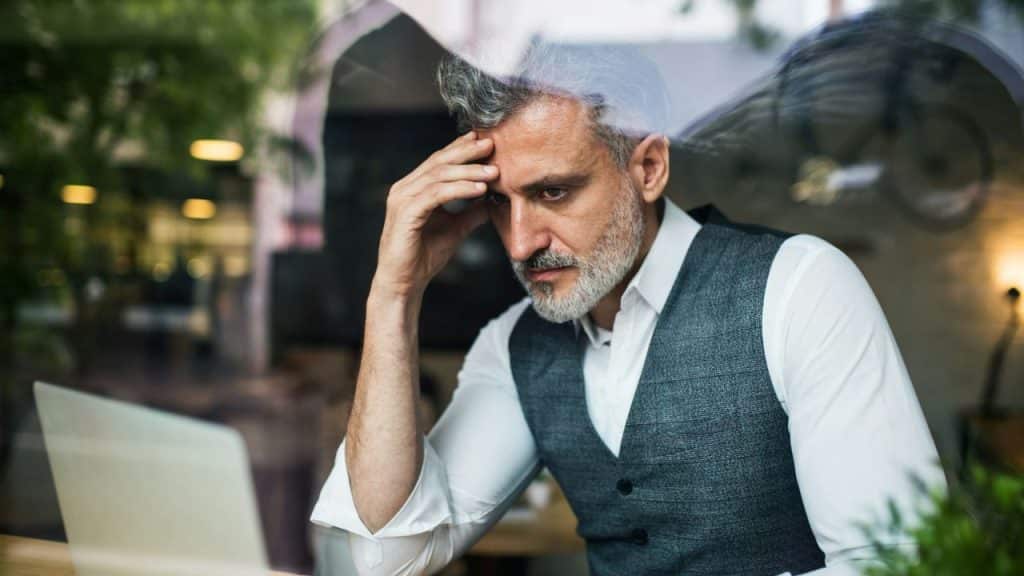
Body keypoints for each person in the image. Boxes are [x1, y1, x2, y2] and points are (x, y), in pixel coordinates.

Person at [311, 45, 945, 576]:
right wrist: (393, 296)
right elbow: (387, 555)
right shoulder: (517, 347)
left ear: (648, 167)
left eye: (552, 191)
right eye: (501, 203)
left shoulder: (799, 286)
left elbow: (899, 561)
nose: (522, 241)